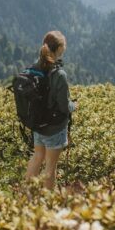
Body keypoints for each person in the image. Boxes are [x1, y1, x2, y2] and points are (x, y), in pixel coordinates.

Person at [25, 30, 76, 189]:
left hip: (38, 124)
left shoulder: (34, 68)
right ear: (59, 48)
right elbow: (63, 106)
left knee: (37, 157)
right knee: (50, 166)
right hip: (54, 128)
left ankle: (26, 197)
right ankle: (48, 202)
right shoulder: (59, 74)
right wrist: (74, 106)